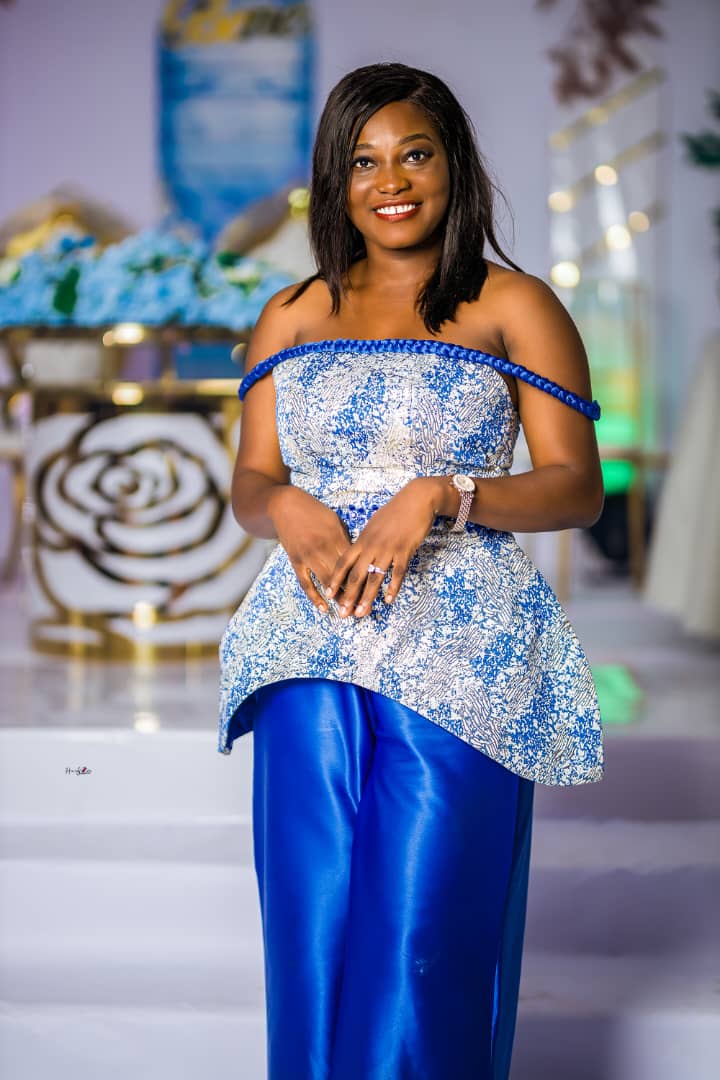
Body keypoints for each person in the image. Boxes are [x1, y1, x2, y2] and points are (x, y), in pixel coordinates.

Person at [218, 61, 605, 1080]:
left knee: (422, 939)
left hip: (461, 655)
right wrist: (284, 505)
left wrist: (446, 493)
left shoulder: (512, 304)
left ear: (453, 165)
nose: (390, 181)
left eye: (414, 154)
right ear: (335, 181)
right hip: (305, 643)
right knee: (311, 932)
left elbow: (577, 488)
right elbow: (250, 483)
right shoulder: (291, 312)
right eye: (363, 161)